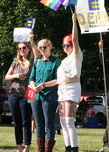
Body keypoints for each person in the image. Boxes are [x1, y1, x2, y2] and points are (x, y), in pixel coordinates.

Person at [29, 38, 61, 152]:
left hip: (49, 95)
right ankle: (40, 149)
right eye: (40, 47)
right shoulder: (37, 61)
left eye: (44, 47)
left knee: (49, 123)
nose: (42, 49)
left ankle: (48, 150)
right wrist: (33, 86)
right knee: (39, 124)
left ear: (50, 47)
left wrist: (44, 85)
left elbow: (59, 80)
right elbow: (31, 78)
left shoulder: (56, 61)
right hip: (36, 96)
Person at [57, 13, 83, 152]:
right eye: (63, 45)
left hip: (72, 88)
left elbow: (75, 38)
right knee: (62, 122)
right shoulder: (63, 61)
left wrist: (74, 22)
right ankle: (67, 147)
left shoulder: (76, 55)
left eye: (67, 45)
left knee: (69, 121)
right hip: (61, 89)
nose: (65, 47)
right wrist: (43, 85)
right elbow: (59, 79)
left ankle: (74, 148)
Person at [4, 39, 35, 152]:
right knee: (16, 122)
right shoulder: (15, 62)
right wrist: (16, 75)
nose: (22, 50)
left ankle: (27, 147)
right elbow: (6, 77)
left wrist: (31, 40)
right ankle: (19, 147)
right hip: (13, 94)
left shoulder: (33, 61)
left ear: (28, 49)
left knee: (26, 121)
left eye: (24, 48)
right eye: (19, 48)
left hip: (27, 95)